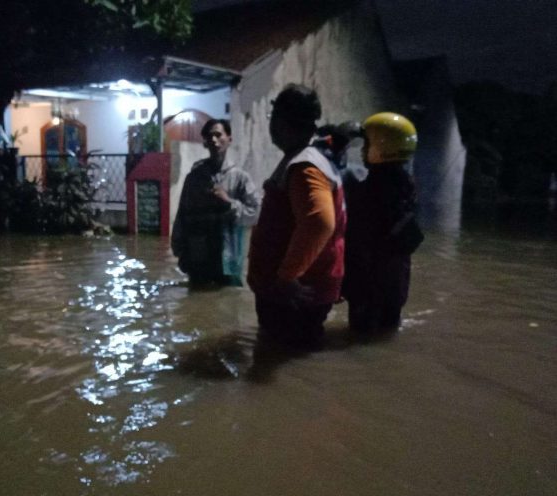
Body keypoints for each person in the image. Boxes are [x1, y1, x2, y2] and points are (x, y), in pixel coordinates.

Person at [247, 84, 347, 349]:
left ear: (280, 122)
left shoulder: (305, 166)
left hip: (293, 296)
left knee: (277, 359)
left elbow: (319, 223)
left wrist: (287, 277)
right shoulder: (310, 160)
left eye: (272, 118)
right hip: (301, 292)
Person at [341, 112, 424, 333]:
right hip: (395, 286)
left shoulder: (371, 189)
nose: (362, 149)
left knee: (360, 341)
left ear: (380, 147)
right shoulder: (406, 185)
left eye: (366, 143)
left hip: (368, 287)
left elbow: (354, 236)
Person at [171, 119, 261, 286]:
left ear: (229, 139)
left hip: (229, 258)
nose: (214, 140)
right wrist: (179, 248)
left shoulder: (240, 178)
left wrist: (229, 202)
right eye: (209, 136)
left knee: (227, 303)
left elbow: (255, 213)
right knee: (198, 306)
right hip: (198, 256)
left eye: (218, 135)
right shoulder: (194, 178)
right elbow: (183, 213)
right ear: (205, 142)